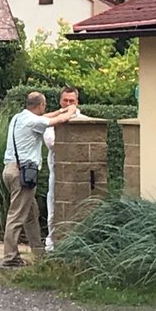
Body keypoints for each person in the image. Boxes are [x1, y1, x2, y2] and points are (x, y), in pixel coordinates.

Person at [2, 92, 77, 267]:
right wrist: (70, 110)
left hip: (10, 170)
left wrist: (59, 110)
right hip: (23, 174)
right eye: (44, 106)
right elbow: (56, 121)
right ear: (40, 105)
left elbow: (46, 117)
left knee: (30, 214)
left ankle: (39, 253)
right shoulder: (32, 121)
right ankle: (10, 257)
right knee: (17, 216)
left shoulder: (19, 117)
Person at [42, 86, 88, 251]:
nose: (68, 104)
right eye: (65, 100)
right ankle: (52, 243)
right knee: (53, 206)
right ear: (60, 101)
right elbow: (52, 143)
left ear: (77, 102)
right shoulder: (50, 123)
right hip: (58, 173)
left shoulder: (85, 121)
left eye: (71, 101)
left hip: (80, 174)